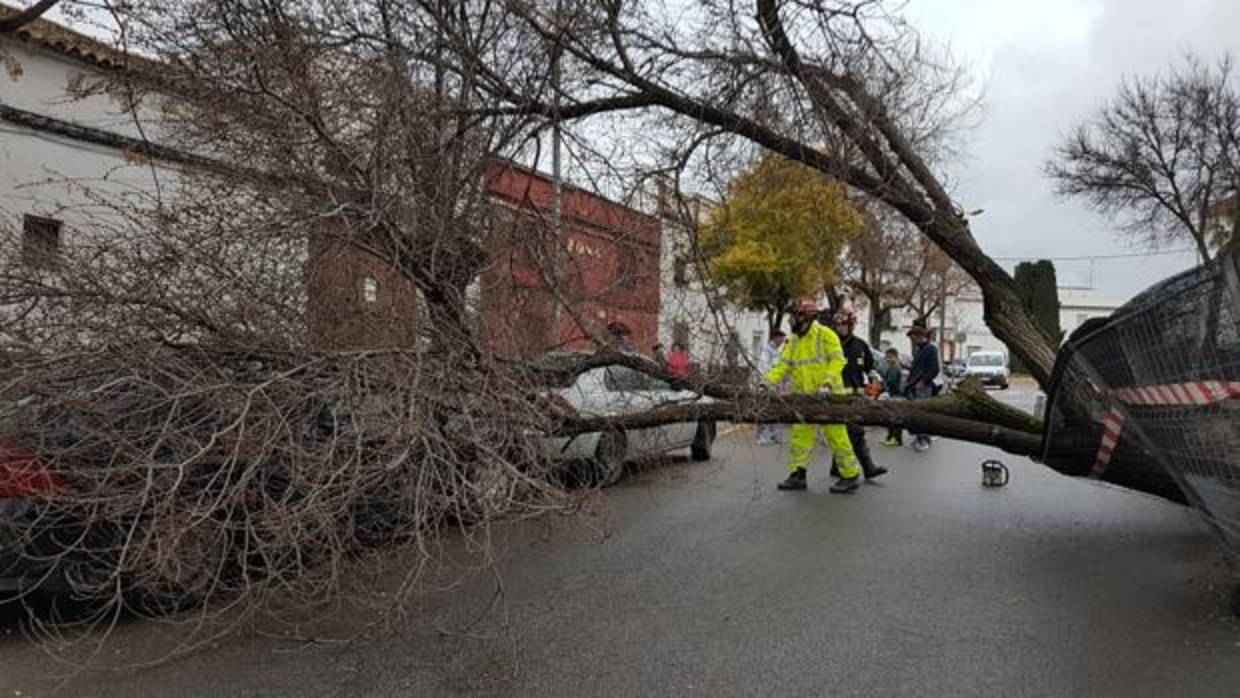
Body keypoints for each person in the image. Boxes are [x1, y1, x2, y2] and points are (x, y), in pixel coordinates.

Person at [765, 299, 862, 493]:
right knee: (800, 437)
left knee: (837, 437)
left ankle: (850, 475)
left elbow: (838, 362)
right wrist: (767, 381)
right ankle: (797, 474)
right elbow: (783, 365)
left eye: (794, 317)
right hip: (804, 397)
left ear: (806, 318)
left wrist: (827, 382)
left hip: (829, 397)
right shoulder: (793, 341)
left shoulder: (826, 336)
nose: (791, 322)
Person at [831, 310, 888, 479]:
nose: (841, 328)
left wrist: (875, 381)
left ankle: (836, 466)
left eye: (844, 325)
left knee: (850, 431)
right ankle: (868, 467)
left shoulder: (861, 345)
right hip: (836, 396)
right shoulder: (831, 344)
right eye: (839, 325)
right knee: (851, 432)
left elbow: (870, 367)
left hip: (856, 396)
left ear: (851, 326)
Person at [905, 325, 940, 452]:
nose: (912, 341)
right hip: (915, 385)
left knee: (922, 414)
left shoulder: (930, 349)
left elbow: (934, 369)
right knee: (916, 414)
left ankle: (924, 439)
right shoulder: (919, 349)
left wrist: (924, 381)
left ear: (919, 336)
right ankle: (920, 437)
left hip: (923, 387)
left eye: (913, 338)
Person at [756, 329, 787, 445]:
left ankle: (775, 435)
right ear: (776, 338)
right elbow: (763, 367)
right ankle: (763, 436)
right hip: (768, 384)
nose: (783, 341)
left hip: (777, 385)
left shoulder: (776, 351)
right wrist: (768, 382)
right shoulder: (767, 351)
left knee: (777, 409)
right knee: (766, 409)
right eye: (782, 339)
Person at [880, 347, 905, 447]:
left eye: (890, 357)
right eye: (887, 357)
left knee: (894, 418)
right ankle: (890, 437)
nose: (888, 359)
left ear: (895, 357)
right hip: (895, 394)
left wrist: (884, 388)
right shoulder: (893, 367)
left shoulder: (894, 368)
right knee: (892, 417)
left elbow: (892, 382)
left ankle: (895, 439)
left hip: (895, 395)